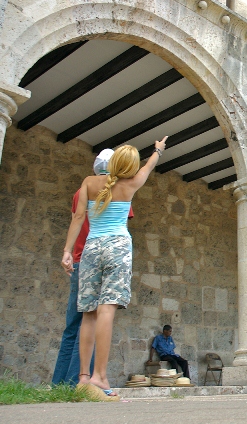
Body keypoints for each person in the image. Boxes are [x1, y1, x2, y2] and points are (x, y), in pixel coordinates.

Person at [61, 137, 167, 401]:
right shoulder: (131, 184)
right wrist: (157, 150)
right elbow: (149, 166)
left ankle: (84, 378)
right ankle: (101, 377)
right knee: (106, 309)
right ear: (126, 166)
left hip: (91, 249)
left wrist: (66, 251)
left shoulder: (88, 182)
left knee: (88, 312)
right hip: (118, 248)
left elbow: (77, 217)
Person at [52, 150, 131, 386]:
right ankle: (84, 381)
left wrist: (67, 251)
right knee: (95, 318)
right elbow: (120, 222)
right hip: (99, 257)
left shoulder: (82, 190)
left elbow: (77, 219)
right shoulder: (118, 189)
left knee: (74, 324)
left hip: (79, 258)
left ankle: (60, 384)